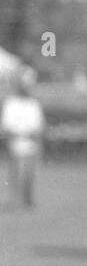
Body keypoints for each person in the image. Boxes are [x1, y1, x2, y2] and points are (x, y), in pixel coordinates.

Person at [1, 66, 45, 208]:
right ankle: (16, 200)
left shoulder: (34, 104)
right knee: (16, 175)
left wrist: (32, 133)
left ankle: (28, 201)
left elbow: (39, 125)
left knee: (29, 175)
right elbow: (7, 125)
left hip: (31, 145)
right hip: (16, 145)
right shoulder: (11, 103)